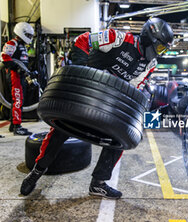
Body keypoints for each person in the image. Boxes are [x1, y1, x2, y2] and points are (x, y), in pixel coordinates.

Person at [20, 18, 174, 199]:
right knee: (59, 130)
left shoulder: (150, 64)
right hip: (83, 93)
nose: (159, 53)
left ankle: (98, 183)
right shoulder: (117, 38)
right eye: (160, 48)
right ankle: (36, 172)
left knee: (120, 136)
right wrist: (81, 70)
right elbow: (83, 40)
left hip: (107, 103)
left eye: (163, 50)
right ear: (150, 38)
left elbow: (135, 87)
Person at [0, 22, 34, 135]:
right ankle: (17, 127)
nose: (29, 38)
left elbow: (22, 62)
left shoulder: (22, 45)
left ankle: (12, 125)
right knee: (18, 101)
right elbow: (4, 57)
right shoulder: (12, 43)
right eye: (28, 35)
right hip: (15, 76)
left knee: (18, 100)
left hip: (21, 76)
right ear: (22, 33)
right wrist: (16, 68)